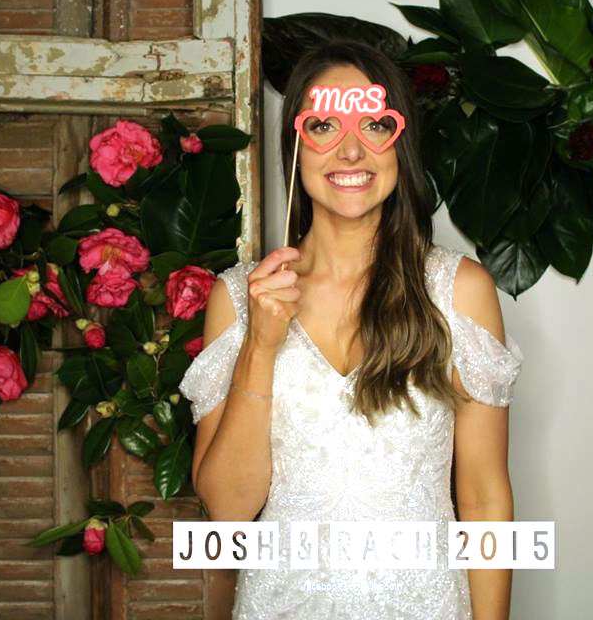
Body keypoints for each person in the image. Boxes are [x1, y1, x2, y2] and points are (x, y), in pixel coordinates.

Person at [179, 40, 524, 619]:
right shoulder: (239, 298)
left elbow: (485, 499)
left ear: (400, 145)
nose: (350, 150)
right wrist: (260, 347)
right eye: (323, 126)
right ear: (295, 147)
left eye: (374, 125)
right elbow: (228, 510)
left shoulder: (459, 291)